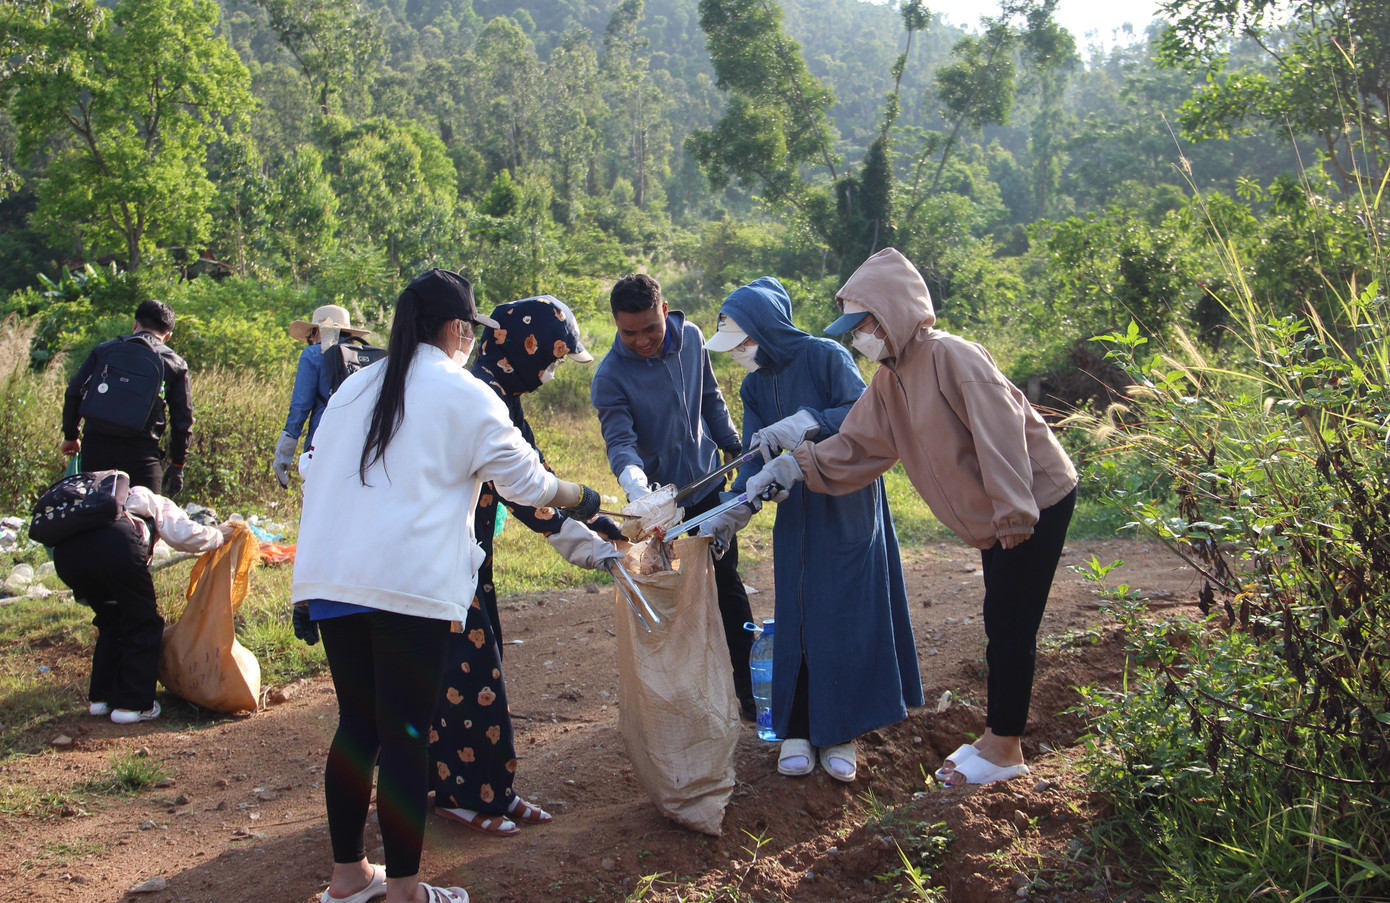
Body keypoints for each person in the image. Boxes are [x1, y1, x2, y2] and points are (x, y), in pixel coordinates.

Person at [292, 268, 602, 903]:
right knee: (405, 730)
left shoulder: (354, 387)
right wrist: (586, 497)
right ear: (460, 329)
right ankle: (406, 891)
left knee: (359, 727)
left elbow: (310, 468)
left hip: (329, 580)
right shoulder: (464, 391)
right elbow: (529, 486)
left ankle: (348, 878)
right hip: (406, 588)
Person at [745, 249, 1078, 787]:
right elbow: (857, 446)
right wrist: (796, 465)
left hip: (1036, 498)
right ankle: (999, 739)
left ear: (893, 313)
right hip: (999, 511)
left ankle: (1005, 747)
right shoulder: (889, 379)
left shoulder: (951, 356)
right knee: (1002, 620)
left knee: (1011, 623)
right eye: (854, 328)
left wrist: (1015, 513)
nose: (860, 338)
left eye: (865, 324)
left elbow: (1000, 428)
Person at [698, 276, 924, 781]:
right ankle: (797, 728)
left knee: (841, 609)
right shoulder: (755, 384)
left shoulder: (826, 356)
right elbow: (757, 458)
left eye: (744, 342)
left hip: (846, 500)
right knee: (797, 610)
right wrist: (734, 507)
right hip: (796, 509)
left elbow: (864, 413)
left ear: (767, 330)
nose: (740, 354)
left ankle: (841, 732)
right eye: (733, 348)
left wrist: (807, 420)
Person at [430, 295, 623, 835]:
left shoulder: (499, 393)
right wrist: (581, 540)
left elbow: (534, 468)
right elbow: (521, 490)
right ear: (525, 348)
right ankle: (475, 796)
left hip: (468, 558)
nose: (554, 370)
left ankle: (458, 784)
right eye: (554, 357)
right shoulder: (480, 397)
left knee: (449, 673)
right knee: (472, 676)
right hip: (443, 558)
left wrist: (596, 520)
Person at [590, 273, 756, 720]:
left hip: (707, 491)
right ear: (616, 325)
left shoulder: (693, 339)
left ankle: (749, 694)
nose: (641, 340)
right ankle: (686, 705)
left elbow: (709, 398)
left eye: (650, 328)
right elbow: (620, 441)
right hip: (661, 510)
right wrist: (637, 489)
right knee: (672, 603)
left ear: (665, 312)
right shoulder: (610, 376)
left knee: (728, 590)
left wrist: (733, 443)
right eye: (629, 332)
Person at [51, 481, 232, 724]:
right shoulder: (150, 498)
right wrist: (220, 535)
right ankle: (133, 705)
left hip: (67, 557)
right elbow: (184, 535)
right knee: (144, 622)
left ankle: (101, 699)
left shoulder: (99, 503)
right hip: (116, 547)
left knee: (111, 619)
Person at [61, 299, 194, 496]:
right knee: (144, 518)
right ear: (168, 336)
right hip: (141, 454)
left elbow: (74, 392)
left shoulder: (104, 350)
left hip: (95, 447)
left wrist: (71, 436)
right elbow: (182, 420)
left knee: (92, 515)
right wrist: (177, 464)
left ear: (135, 324)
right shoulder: (174, 363)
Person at [271, 305, 371, 488]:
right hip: (362, 447)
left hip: (322, 444)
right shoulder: (365, 358)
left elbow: (300, 407)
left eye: (310, 336)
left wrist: (283, 455)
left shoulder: (312, 354)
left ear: (318, 332)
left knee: (317, 507)